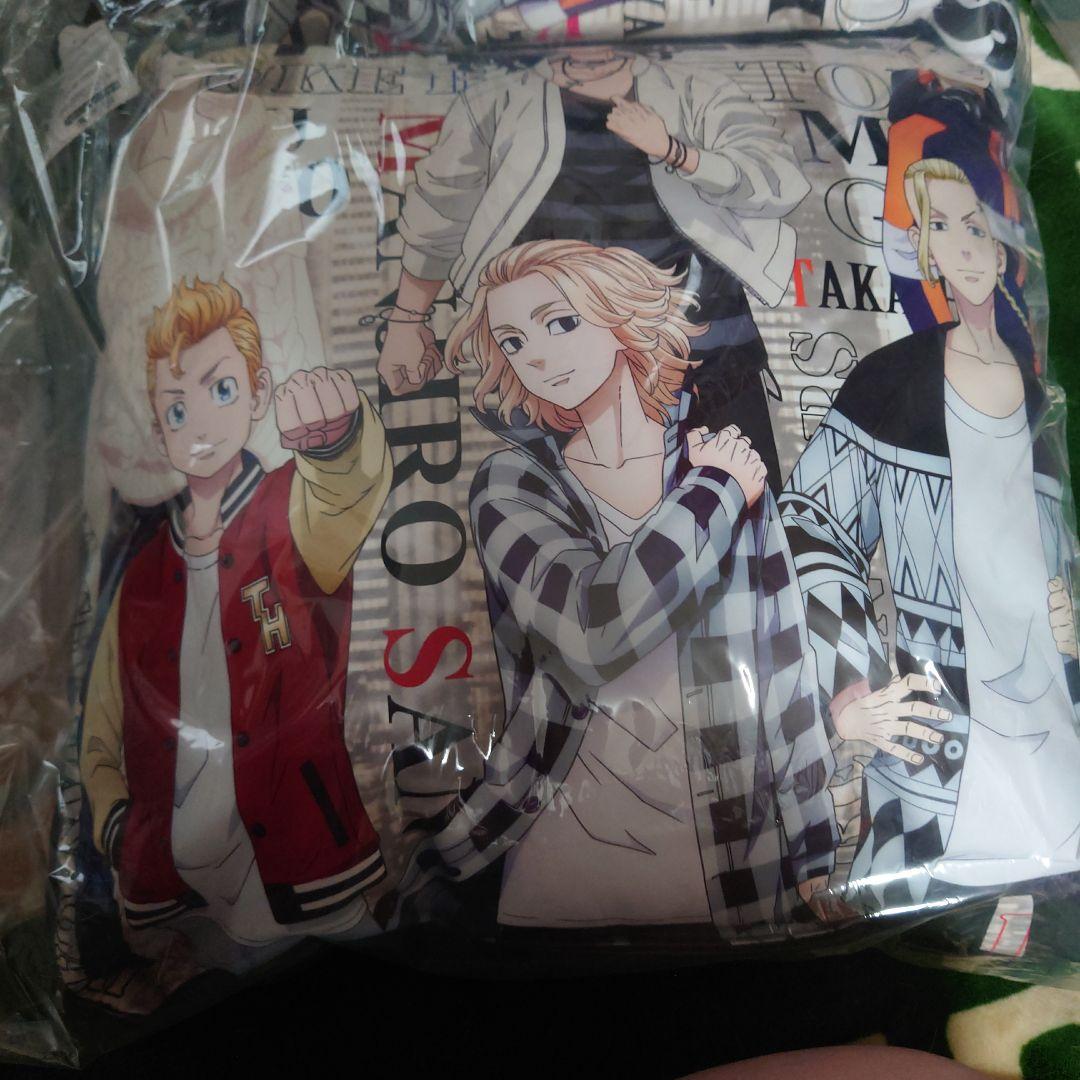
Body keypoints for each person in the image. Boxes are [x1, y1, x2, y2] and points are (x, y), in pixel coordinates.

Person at [394, 239, 837, 934]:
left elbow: (785, 675)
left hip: (734, 871)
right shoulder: (516, 485)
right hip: (557, 872)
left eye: (560, 322)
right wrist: (714, 492)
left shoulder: (721, 465)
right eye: (513, 341)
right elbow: (594, 631)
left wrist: (815, 849)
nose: (537, 356)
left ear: (621, 314)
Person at [780, 159, 1080, 910]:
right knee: (909, 901)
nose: (965, 245)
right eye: (940, 227)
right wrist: (854, 683)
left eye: (976, 226)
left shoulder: (1040, 400)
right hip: (935, 751)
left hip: (1049, 742)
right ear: (925, 252)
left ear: (1003, 250)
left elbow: (1054, 555)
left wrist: (1070, 627)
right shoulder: (892, 380)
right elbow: (809, 521)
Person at [80, 277, 393, 964]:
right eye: (176, 407)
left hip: (303, 857)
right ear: (158, 430)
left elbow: (348, 489)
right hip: (174, 886)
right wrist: (117, 828)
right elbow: (101, 726)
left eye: (221, 389)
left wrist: (336, 440)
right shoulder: (140, 576)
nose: (199, 422)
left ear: (257, 395)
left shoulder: (291, 508)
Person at [378, 45, 811, 492]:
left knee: (745, 508)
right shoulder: (494, 101)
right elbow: (439, 216)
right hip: (561, 366)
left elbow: (781, 180)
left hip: (710, 352)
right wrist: (408, 321)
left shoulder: (696, 88)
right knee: (583, 520)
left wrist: (676, 152)